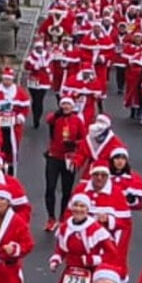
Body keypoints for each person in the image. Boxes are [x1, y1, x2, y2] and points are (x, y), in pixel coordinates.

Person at [49, 194, 120, 283]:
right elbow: (60, 248)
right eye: (76, 205)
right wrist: (56, 260)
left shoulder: (95, 229)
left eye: (82, 206)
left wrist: (92, 260)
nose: (78, 209)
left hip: (91, 276)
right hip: (71, 276)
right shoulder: (65, 227)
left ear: (87, 209)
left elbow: (112, 254)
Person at [43, 97, 86, 232]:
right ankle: (51, 218)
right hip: (54, 156)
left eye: (68, 104)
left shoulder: (77, 120)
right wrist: (56, 114)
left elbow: (84, 139)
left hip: (69, 158)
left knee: (66, 190)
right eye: (64, 104)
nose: (66, 106)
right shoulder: (56, 118)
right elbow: (48, 120)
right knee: (50, 187)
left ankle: (63, 217)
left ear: (72, 106)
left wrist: (74, 144)